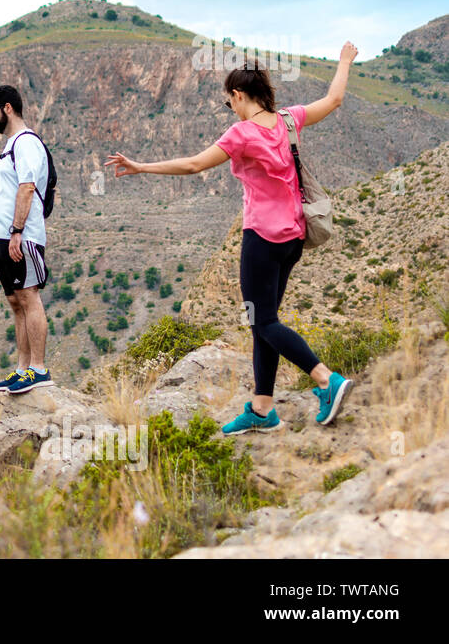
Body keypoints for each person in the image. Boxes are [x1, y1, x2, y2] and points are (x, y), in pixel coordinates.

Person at [104, 43, 359, 435]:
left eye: (230, 102)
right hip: (294, 237)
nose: (232, 109)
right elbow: (335, 98)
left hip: (262, 239)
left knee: (264, 320)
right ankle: (262, 408)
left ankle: (326, 379)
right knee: (262, 323)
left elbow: (192, 165)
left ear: (239, 96)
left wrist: (141, 167)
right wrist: (344, 62)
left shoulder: (241, 134)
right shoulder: (290, 120)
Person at [0, 84, 54, 395]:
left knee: (28, 297)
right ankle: (22, 368)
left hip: (20, 235)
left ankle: (38, 369)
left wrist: (16, 230)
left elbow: (27, 187)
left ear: (8, 108)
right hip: (3, 235)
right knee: (15, 302)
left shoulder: (26, 142)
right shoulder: (12, 145)